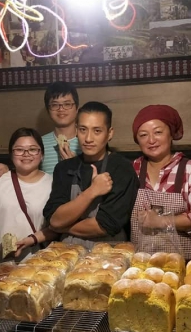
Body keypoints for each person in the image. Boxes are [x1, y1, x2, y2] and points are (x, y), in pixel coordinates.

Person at [43, 101, 138, 249]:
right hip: (66, 253)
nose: (88, 138)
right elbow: (54, 219)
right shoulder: (64, 168)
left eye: (97, 131)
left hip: (109, 253)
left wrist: (63, 227)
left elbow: (105, 225)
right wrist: (92, 191)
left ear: (110, 133)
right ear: (76, 130)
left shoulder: (122, 169)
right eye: (83, 129)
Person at [131, 105, 191, 260]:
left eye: (158, 132)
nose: (151, 140)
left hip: (183, 261)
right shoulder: (133, 169)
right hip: (141, 263)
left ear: (171, 134)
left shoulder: (189, 169)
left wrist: (162, 221)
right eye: (143, 135)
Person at [0, 128, 56, 263]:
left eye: (33, 149)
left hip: (36, 263)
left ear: (42, 155)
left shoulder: (53, 185)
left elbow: (58, 227)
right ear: (11, 155)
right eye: (19, 149)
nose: (26, 154)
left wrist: (33, 239)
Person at [0, 81, 82, 179]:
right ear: (48, 110)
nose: (61, 109)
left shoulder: (86, 141)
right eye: (55, 105)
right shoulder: (38, 143)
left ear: (77, 108)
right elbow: (25, 174)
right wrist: (6, 170)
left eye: (67, 104)